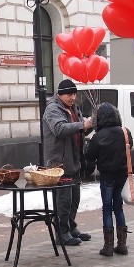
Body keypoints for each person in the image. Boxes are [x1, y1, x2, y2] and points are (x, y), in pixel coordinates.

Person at [43, 79, 93, 246]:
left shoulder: (73, 108)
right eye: (69, 94)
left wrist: (90, 125)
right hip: (60, 164)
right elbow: (60, 129)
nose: (73, 97)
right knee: (63, 200)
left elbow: (80, 130)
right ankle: (61, 233)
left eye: (74, 94)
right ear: (60, 94)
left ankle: (71, 226)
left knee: (74, 198)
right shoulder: (52, 109)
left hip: (75, 160)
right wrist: (82, 124)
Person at [84, 102, 132, 256]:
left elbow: (90, 156)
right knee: (118, 208)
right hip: (122, 176)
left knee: (107, 209)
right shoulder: (125, 132)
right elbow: (129, 147)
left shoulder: (98, 137)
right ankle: (122, 245)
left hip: (107, 178)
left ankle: (108, 247)